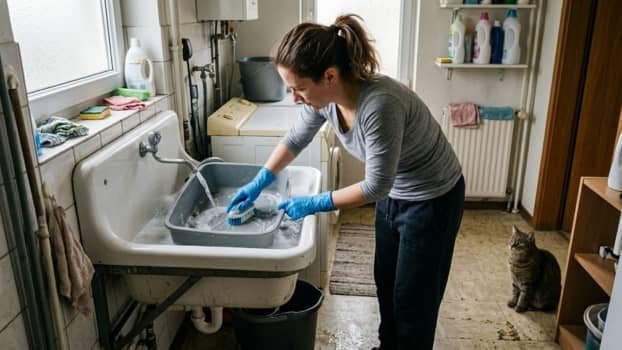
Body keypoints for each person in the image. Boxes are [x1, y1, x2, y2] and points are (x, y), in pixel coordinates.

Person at [227, 14, 465, 350]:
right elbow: (296, 138)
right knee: (386, 284)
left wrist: (315, 203)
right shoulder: (326, 100)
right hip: (395, 193)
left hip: (432, 198)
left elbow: (374, 187)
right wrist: (259, 180)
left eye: (298, 88)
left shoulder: (380, 106)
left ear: (330, 75)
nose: (294, 97)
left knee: (414, 300)